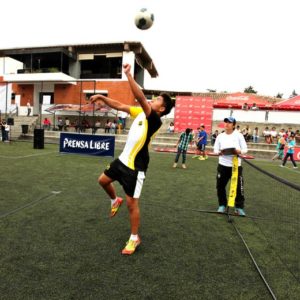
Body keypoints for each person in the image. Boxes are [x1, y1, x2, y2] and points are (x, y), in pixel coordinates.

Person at [90, 63, 173, 255]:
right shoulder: (140, 112)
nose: (154, 99)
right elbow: (119, 105)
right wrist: (102, 97)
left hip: (135, 167)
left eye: (159, 99)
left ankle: (134, 238)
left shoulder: (154, 119)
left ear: (162, 109)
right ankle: (114, 200)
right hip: (122, 160)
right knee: (102, 180)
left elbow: (140, 96)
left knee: (132, 204)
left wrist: (128, 74)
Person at [213, 116, 248, 216]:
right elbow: (215, 149)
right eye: (225, 122)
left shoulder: (239, 135)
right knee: (220, 186)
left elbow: (245, 149)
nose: (227, 124)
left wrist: (239, 151)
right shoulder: (220, 136)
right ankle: (222, 205)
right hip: (222, 165)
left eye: (229, 122)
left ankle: (239, 207)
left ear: (233, 125)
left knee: (239, 188)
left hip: (236, 166)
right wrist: (219, 152)